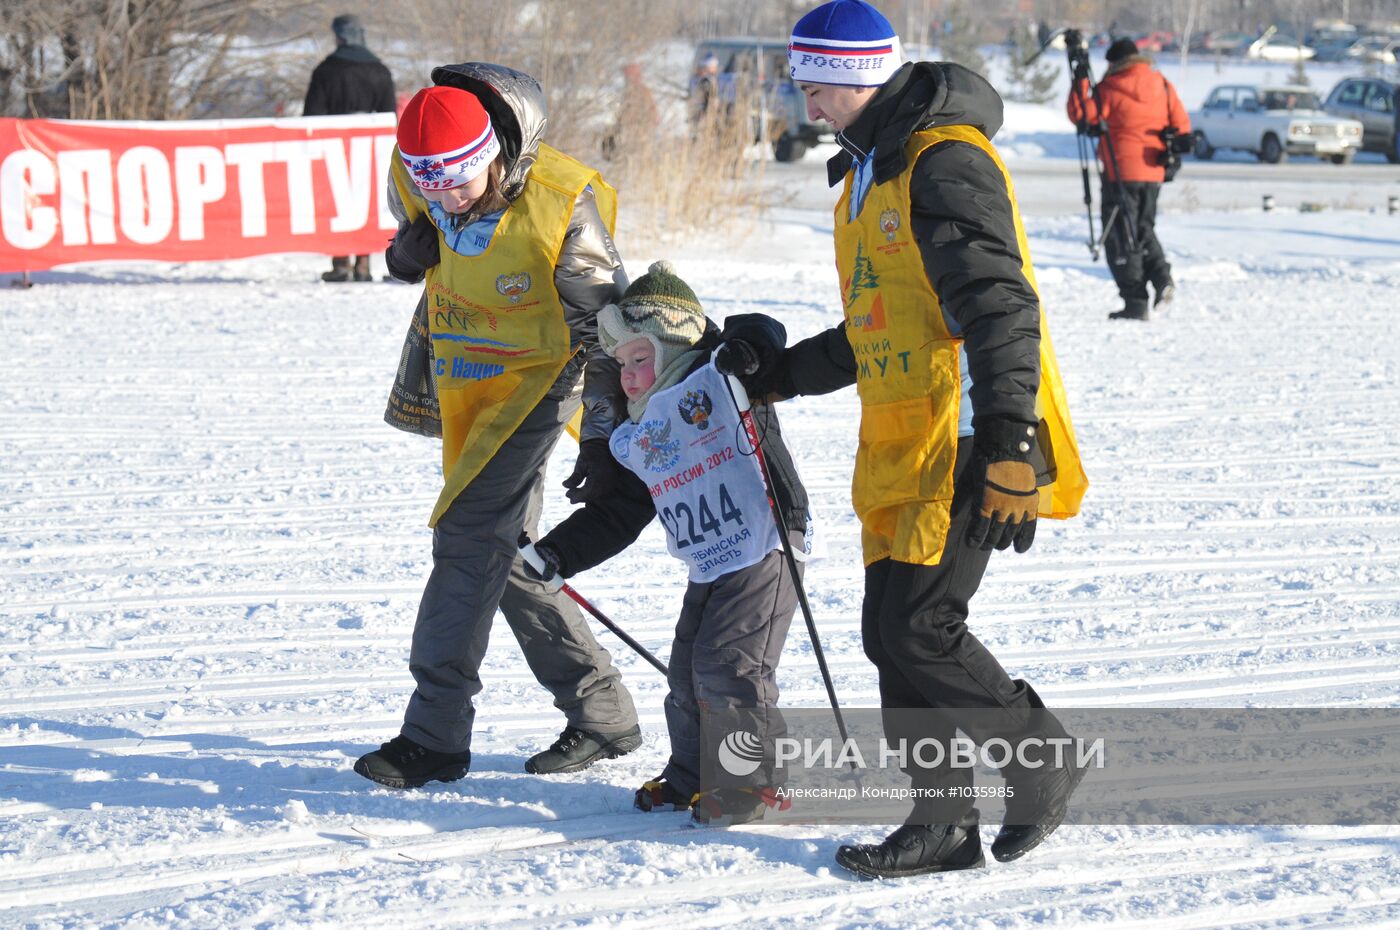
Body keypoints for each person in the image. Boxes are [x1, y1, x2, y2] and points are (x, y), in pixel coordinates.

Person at [753, 0, 1089, 876]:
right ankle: (940, 823)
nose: (806, 102)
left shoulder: (942, 163)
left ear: (856, 77)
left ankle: (1038, 757)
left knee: (919, 627)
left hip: (971, 431)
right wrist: (779, 373)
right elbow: (880, 322)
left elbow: (1000, 304)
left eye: (813, 83)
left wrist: (1012, 438)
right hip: (904, 434)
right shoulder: (871, 171)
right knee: (890, 630)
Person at [353, 63, 642, 789]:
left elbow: (613, 329)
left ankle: (435, 736)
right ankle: (602, 712)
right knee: (505, 553)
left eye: (457, 179)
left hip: (548, 374)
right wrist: (401, 254)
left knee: (466, 539)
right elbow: (411, 236)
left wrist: (605, 440)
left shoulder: (561, 205)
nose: (443, 195)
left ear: (493, 155)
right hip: (469, 378)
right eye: (428, 182)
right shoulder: (414, 170)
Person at [524, 263, 809, 826]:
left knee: (728, 665)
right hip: (709, 556)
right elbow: (622, 511)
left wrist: (747, 349)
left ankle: (751, 782)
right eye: (622, 363)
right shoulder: (647, 428)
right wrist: (558, 552)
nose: (628, 376)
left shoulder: (722, 379)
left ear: (673, 344)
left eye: (641, 358)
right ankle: (690, 776)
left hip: (765, 544)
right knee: (686, 672)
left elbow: (760, 330)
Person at [1066, 36, 1190, 321]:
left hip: (1120, 170)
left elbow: (1080, 114)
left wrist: (1081, 78)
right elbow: (1182, 126)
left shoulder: (1109, 88)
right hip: (1154, 169)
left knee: (1121, 237)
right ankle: (1162, 278)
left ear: (1114, 63)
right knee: (1144, 228)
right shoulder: (1162, 84)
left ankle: (1135, 301)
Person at [304, 14, 397, 283]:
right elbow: (389, 116)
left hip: (333, 150)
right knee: (366, 203)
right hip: (370, 153)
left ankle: (341, 263)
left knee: (338, 204)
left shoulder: (325, 71)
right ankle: (364, 265)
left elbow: (312, 115)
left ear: (340, 36)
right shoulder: (380, 70)